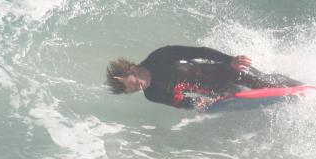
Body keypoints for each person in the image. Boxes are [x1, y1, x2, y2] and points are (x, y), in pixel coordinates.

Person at [106, 45, 301, 110]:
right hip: (219, 92)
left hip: (228, 72)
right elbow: (179, 102)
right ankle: (292, 99)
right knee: (260, 96)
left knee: (265, 82)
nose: (140, 88)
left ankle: (302, 87)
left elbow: (199, 52)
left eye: (134, 84)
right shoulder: (152, 94)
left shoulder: (160, 58)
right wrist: (195, 104)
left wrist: (230, 60)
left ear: (132, 69)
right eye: (134, 91)